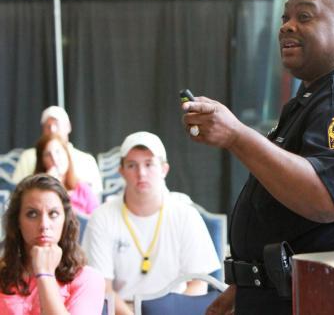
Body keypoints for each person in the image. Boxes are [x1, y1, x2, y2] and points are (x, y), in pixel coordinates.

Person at [182, 0, 334, 315]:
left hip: (317, 300)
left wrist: (237, 136)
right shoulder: (315, 96)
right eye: (285, 17)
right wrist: (246, 284)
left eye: (305, 16)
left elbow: (323, 198)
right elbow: (289, 220)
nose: (286, 27)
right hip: (279, 294)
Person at [82, 131, 220, 315]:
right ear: (121, 171)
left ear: (164, 169)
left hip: (174, 309)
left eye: (149, 164)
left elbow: (198, 284)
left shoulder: (186, 215)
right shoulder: (102, 217)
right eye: (132, 165)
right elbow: (102, 288)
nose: (141, 173)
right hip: (121, 310)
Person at [0, 174, 105, 314]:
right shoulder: (3, 275)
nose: (44, 225)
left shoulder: (88, 279)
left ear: (65, 220)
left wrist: (45, 275)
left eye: (53, 214)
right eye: (32, 214)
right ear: (18, 221)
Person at [12, 106, 103, 196]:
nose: (52, 129)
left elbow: (96, 199)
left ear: (68, 126)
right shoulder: (28, 156)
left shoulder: (87, 160)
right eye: (48, 126)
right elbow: (17, 193)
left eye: (56, 124)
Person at [34, 133, 99, 215]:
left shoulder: (82, 188)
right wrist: (48, 185)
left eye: (58, 152)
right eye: (48, 154)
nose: (54, 158)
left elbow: (96, 218)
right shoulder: (35, 191)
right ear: (42, 161)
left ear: (66, 155)